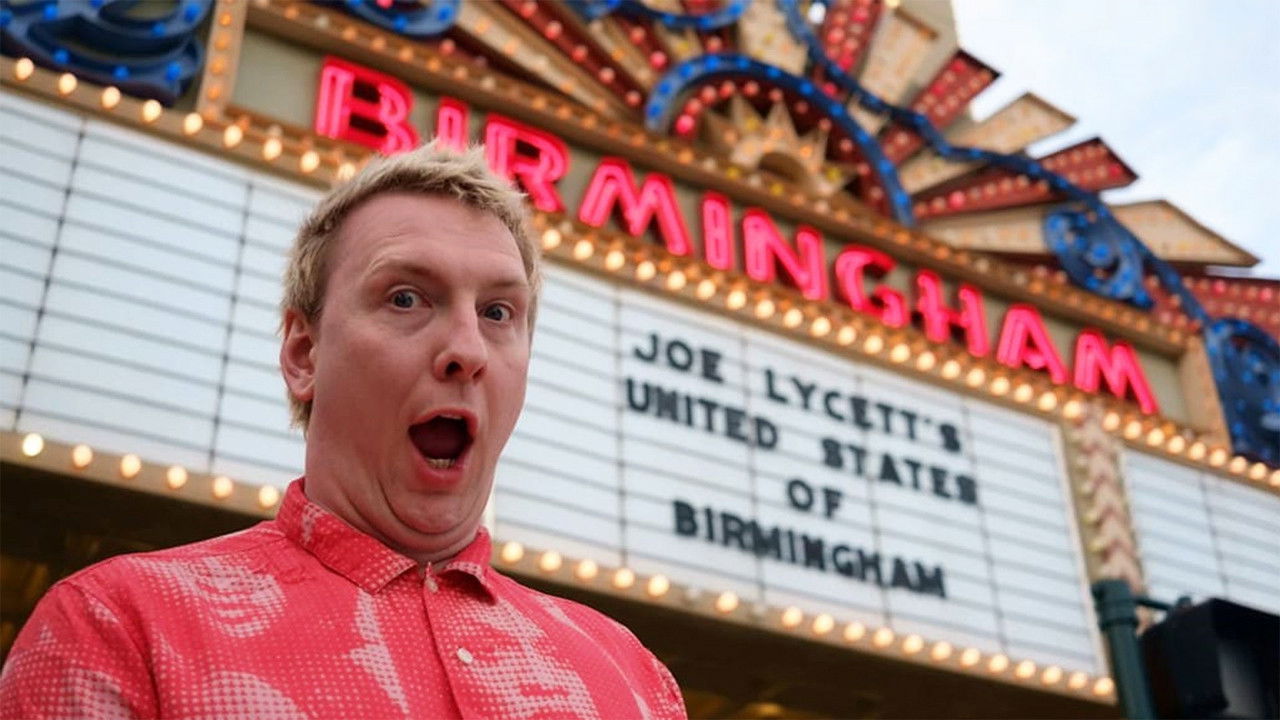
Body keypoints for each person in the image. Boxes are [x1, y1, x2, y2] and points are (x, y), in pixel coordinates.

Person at [0, 144, 687, 719]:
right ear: (304, 354)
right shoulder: (119, 625)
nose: (468, 349)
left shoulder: (637, 679)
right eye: (407, 298)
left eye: (499, 312)